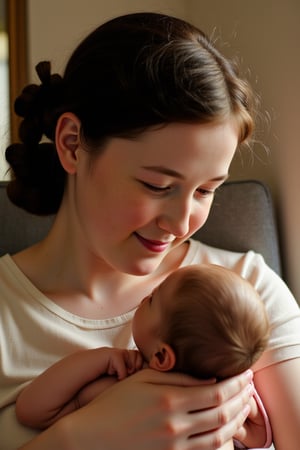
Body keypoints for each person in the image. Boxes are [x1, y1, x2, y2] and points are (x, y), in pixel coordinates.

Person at [0, 10, 299, 450]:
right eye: (157, 185)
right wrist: (77, 437)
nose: (181, 224)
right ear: (72, 145)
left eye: (206, 190)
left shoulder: (245, 295)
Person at [15, 264, 272, 450]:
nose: (143, 298)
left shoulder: (122, 388)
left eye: (151, 300)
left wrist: (99, 359)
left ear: (161, 356)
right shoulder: (229, 403)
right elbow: (260, 436)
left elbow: (32, 410)